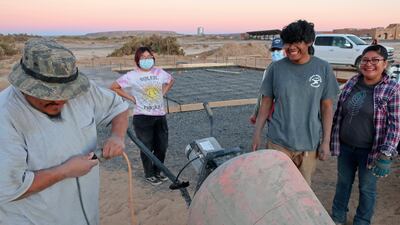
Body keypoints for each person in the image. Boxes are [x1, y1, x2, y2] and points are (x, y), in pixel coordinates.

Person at [0, 38, 129, 225]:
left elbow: (118, 107)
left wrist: (117, 136)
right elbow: (8, 188)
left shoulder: (83, 91)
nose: (60, 100)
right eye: (49, 94)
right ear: (24, 86)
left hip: (86, 216)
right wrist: (65, 171)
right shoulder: (5, 115)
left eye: (66, 93)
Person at [251, 20, 339, 185]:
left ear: (309, 42)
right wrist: (257, 133)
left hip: (309, 143)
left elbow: (327, 107)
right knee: (277, 187)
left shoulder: (323, 68)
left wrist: (326, 141)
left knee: (302, 189)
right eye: (287, 42)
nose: (290, 47)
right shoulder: (276, 69)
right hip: (279, 142)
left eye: (296, 42)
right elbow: (266, 103)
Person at [330, 44, 400, 225]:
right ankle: (337, 217)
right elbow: (339, 111)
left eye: (375, 60)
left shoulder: (392, 89)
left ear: (385, 64)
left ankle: (362, 221)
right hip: (346, 147)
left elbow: (396, 125)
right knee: (343, 184)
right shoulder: (353, 82)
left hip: (371, 151)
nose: (369, 64)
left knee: (367, 188)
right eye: (365, 60)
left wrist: (386, 154)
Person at [110, 47, 174, 186]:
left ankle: (158, 171)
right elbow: (114, 86)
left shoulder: (159, 72)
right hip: (143, 117)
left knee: (161, 146)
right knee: (146, 147)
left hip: (160, 115)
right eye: (143, 58)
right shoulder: (131, 75)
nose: (147, 60)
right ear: (138, 60)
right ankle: (149, 174)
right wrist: (131, 98)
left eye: (149, 57)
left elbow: (170, 80)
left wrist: (162, 93)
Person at [249, 37, 285, 124]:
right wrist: (255, 113)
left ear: (285, 51)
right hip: (272, 115)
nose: (275, 53)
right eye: (273, 50)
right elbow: (262, 94)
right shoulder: (268, 70)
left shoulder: (292, 70)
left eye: (278, 50)